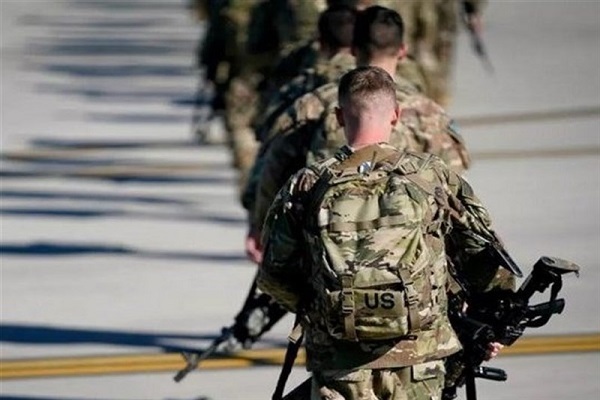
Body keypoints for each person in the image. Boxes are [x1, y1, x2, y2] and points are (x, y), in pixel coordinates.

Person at [257, 65, 509, 400]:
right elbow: (487, 257)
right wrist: (483, 315)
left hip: (340, 363)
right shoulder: (432, 177)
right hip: (420, 361)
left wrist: (323, 310)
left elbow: (273, 275)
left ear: (339, 117)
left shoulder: (307, 184)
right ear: (396, 115)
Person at [249, 5, 470, 262]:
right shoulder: (428, 112)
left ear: (353, 49)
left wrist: (261, 228)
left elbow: (274, 169)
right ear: (402, 51)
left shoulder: (313, 104)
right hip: (409, 260)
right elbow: (454, 187)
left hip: (327, 256)